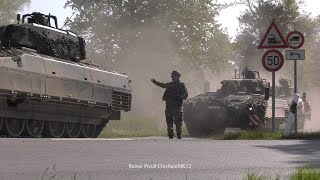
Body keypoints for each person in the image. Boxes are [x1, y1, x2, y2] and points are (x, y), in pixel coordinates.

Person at [151, 70, 188, 139]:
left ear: (177, 76)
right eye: (172, 76)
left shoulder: (181, 85)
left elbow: (186, 94)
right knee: (169, 121)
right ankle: (170, 135)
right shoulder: (170, 84)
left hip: (177, 106)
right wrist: (155, 82)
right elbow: (163, 85)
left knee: (178, 122)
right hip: (169, 106)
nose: (172, 77)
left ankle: (179, 134)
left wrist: (180, 96)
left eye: (173, 76)